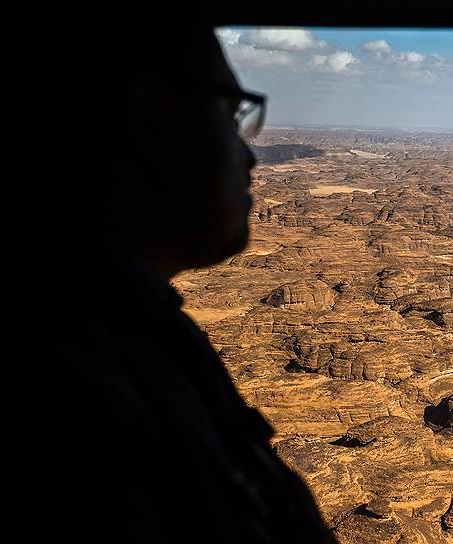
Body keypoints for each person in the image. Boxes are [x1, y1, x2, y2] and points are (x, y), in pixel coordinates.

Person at [45, 10, 336, 543]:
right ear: (152, 115)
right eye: (230, 119)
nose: (251, 156)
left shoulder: (137, 329)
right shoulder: (82, 391)